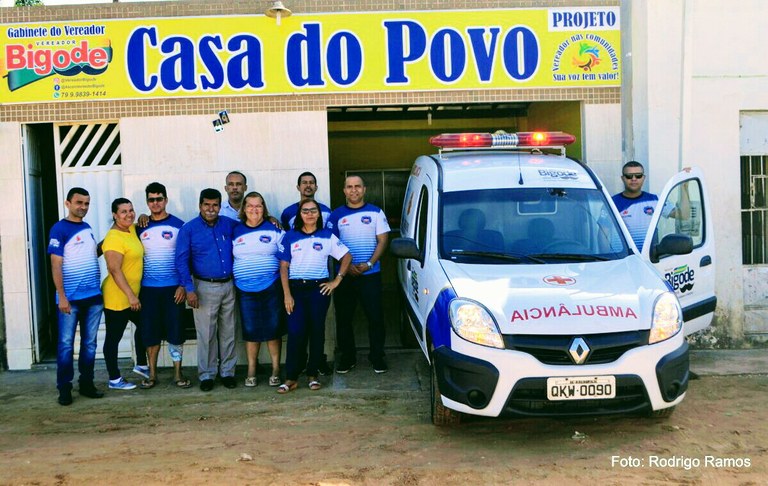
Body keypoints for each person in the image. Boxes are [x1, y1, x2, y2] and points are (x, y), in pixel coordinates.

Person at [276, 199, 351, 394]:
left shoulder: (328, 236)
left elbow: (346, 256)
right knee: (295, 332)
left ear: (319, 214)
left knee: (317, 332)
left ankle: (312, 375)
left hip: (319, 289)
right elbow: (283, 267)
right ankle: (291, 377)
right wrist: (287, 295)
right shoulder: (290, 236)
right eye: (305, 211)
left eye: (313, 211)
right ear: (300, 215)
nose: (309, 214)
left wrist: (337, 280)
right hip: (295, 290)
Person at [326, 175, 391, 374]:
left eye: (357, 187)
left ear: (364, 189)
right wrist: (347, 266)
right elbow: (331, 245)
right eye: (349, 187)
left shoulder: (376, 212)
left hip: (370, 274)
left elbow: (383, 240)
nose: (353, 190)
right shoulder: (336, 215)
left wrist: (370, 263)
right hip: (345, 276)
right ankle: (348, 358)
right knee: (344, 319)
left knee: (375, 317)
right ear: (344, 191)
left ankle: (377, 357)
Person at [175, 188, 238, 392]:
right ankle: (207, 374)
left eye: (215, 205)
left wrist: (270, 218)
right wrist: (189, 289)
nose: (211, 209)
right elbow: (181, 261)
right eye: (207, 205)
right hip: (203, 287)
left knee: (229, 332)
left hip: (229, 285)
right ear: (200, 205)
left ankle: (227, 372)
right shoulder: (189, 229)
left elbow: (250, 228)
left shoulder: (229, 224)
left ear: (220, 206)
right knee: (206, 333)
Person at [48, 187, 104, 405]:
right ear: (68, 203)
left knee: (90, 344)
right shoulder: (59, 229)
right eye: (79, 202)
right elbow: (56, 264)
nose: (83, 207)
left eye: (87, 203)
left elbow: (92, 254)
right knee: (65, 345)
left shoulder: (87, 227)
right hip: (70, 299)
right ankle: (64, 388)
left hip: (93, 297)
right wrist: (62, 296)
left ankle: (87, 384)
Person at [280, 171, 333, 375]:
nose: (308, 186)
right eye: (304, 183)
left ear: (316, 187)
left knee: (317, 327)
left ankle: (317, 363)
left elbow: (329, 240)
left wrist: (335, 279)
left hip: (319, 276)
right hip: (296, 280)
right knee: (297, 328)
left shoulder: (327, 212)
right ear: (298, 187)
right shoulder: (287, 213)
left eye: (312, 183)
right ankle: (298, 365)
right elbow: (287, 242)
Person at [138, 182, 190, 389]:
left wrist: (184, 286)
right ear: (147, 202)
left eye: (159, 199)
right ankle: (152, 375)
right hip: (148, 290)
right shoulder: (140, 226)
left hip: (174, 289)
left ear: (166, 200)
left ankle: (178, 373)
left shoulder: (180, 226)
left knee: (175, 333)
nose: (155, 203)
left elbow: (188, 257)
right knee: (151, 334)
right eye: (151, 199)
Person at [233, 192, 285, 387]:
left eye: (259, 206)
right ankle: (251, 370)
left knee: (273, 328)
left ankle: (275, 369)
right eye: (250, 206)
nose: (254, 209)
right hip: (244, 289)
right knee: (250, 330)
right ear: (244, 209)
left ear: (264, 209)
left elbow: (285, 257)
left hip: (271, 286)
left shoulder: (274, 228)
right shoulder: (235, 229)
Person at [101, 197, 148, 391]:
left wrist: (144, 217)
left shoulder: (130, 229)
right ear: (114, 215)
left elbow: (138, 223)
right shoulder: (113, 238)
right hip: (118, 295)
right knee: (114, 337)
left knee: (146, 325)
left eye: (131, 210)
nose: (129, 214)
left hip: (132, 294)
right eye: (123, 212)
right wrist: (130, 296)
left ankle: (141, 364)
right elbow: (114, 270)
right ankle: (114, 379)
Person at [612, 161, 690, 251]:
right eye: (629, 176)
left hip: (648, 259)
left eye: (638, 175)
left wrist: (684, 187)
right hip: (622, 260)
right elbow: (603, 234)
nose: (634, 179)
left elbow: (684, 215)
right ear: (622, 178)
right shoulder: (612, 203)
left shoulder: (655, 200)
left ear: (644, 178)